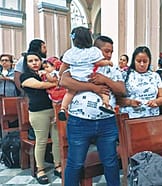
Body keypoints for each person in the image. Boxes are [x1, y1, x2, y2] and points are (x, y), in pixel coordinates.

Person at [59, 35, 125, 186]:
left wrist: (105, 79)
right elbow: (63, 81)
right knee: (75, 163)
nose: (109, 55)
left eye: (111, 52)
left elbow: (121, 90)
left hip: (106, 123)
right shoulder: (77, 65)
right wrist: (93, 87)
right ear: (94, 50)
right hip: (79, 123)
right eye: (106, 51)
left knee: (110, 162)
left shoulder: (111, 69)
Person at [20, 52, 61, 184]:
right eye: (30, 61)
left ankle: (58, 165)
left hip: (54, 109)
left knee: (57, 140)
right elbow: (40, 86)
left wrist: (54, 79)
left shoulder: (46, 73)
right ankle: (40, 169)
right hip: (38, 113)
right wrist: (57, 82)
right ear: (26, 64)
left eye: (36, 60)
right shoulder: (25, 76)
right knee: (41, 141)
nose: (34, 63)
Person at [57, 27, 114, 121]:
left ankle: (63, 109)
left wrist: (61, 74)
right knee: (103, 91)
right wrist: (107, 63)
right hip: (89, 77)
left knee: (70, 93)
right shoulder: (93, 51)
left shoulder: (70, 53)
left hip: (75, 78)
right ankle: (106, 104)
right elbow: (98, 63)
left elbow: (64, 66)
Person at [117, 46, 162, 119]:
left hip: (151, 117)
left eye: (145, 61)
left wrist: (155, 101)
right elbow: (117, 99)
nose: (142, 64)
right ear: (134, 61)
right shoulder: (125, 75)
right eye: (138, 61)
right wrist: (130, 102)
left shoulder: (155, 76)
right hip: (131, 118)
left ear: (149, 61)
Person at [41, 57, 66, 122]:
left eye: (47, 67)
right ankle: (56, 115)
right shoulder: (50, 73)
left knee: (58, 104)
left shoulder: (55, 73)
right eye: (44, 68)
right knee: (54, 104)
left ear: (54, 67)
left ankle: (58, 115)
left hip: (58, 90)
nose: (45, 69)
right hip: (53, 91)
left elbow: (52, 80)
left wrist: (46, 74)